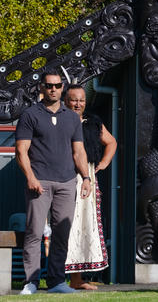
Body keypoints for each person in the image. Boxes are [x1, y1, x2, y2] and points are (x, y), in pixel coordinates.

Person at [15, 72, 92, 295]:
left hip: (67, 182)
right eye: (49, 85)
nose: (53, 89)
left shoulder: (71, 118)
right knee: (34, 232)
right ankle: (30, 282)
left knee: (62, 233)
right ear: (42, 87)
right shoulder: (30, 114)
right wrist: (30, 177)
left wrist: (85, 178)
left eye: (57, 85)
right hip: (39, 181)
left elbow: (78, 151)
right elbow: (21, 151)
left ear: (62, 88)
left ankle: (57, 281)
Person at [62, 85, 116, 290]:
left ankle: (77, 279)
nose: (77, 104)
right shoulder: (59, 120)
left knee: (84, 225)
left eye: (81, 100)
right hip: (63, 176)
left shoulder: (93, 123)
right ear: (66, 100)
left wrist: (102, 164)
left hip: (86, 179)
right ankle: (59, 279)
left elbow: (111, 142)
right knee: (65, 227)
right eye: (73, 100)